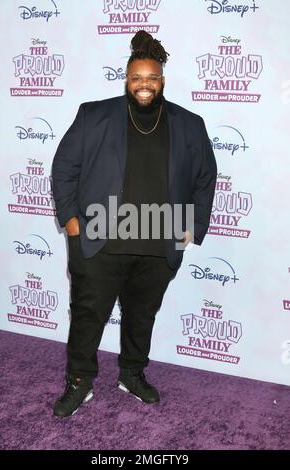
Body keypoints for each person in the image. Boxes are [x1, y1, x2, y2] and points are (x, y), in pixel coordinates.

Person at [51, 30, 217, 417]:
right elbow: (64, 168)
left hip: (158, 244)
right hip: (100, 241)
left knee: (142, 316)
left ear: (162, 80)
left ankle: (132, 373)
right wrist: (71, 222)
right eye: (136, 78)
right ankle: (79, 381)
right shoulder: (94, 115)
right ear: (126, 80)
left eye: (151, 78)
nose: (144, 85)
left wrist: (190, 226)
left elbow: (206, 177)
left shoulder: (189, 124)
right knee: (89, 315)